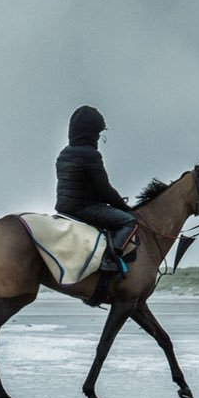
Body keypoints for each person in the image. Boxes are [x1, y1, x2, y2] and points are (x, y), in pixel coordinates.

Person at [56, 105, 138, 273]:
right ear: (91, 133)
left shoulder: (64, 153)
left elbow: (82, 185)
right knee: (129, 222)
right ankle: (109, 259)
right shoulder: (91, 155)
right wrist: (124, 206)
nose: (99, 138)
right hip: (84, 208)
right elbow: (104, 189)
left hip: (63, 207)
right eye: (98, 134)